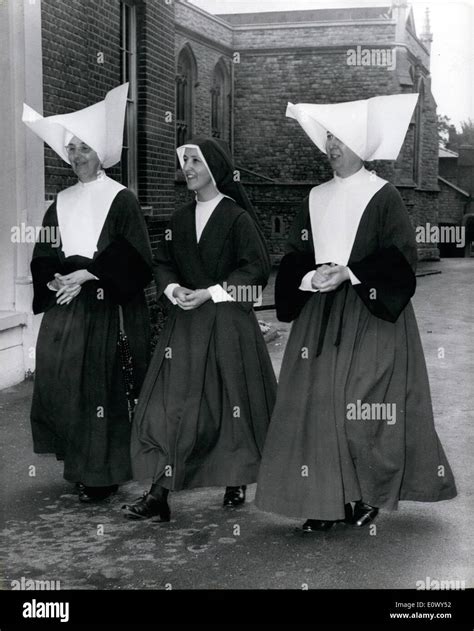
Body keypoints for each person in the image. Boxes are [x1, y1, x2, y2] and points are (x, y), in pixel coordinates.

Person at [255, 94, 457, 531]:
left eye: (341, 138)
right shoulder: (314, 196)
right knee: (312, 406)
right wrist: (311, 278)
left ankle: (364, 493)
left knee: (361, 405)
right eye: (328, 137)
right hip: (319, 316)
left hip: (370, 315)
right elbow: (295, 254)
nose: (332, 146)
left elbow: (401, 261)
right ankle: (325, 500)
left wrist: (349, 272)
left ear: (361, 147)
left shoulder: (383, 197)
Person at [122, 136, 277, 520]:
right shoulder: (178, 219)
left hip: (226, 322)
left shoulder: (236, 217)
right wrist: (173, 289)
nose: (186, 168)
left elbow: (256, 269)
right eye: (184, 161)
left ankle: (236, 476)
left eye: (195, 161)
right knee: (169, 406)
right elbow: (163, 261)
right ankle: (158, 494)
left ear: (215, 169)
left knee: (229, 406)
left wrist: (210, 293)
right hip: (186, 325)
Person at [23, 83, 153, 503]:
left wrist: (90, 274)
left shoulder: (122, 199)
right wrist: (53, 279)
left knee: (100, 387)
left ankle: (101, 473)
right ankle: (79, 461)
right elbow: (43, 251)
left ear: (101, 153)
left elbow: (136, 259)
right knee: (62, 381)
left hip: (104, 308)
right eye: (71, 149)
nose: (77, 156)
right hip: (67, 310)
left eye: (85, 148)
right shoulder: (58, 201)